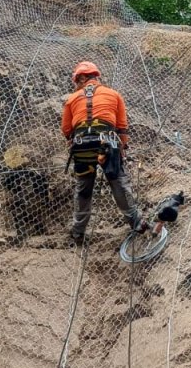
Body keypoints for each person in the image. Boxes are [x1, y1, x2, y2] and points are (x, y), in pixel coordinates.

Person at [61, 61, 146, 242]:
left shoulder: (71, 99)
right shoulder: (113, 95)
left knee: (83, 188)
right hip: (108, 144)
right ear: (96, 77)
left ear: (83, 78)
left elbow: (66, 129)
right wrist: (122, 148)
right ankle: (136, 222)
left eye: (77, 82)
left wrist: (73, 141)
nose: (76, 86)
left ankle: (78, 232)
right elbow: (122, 127)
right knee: (119, 183)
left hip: (82, 146)